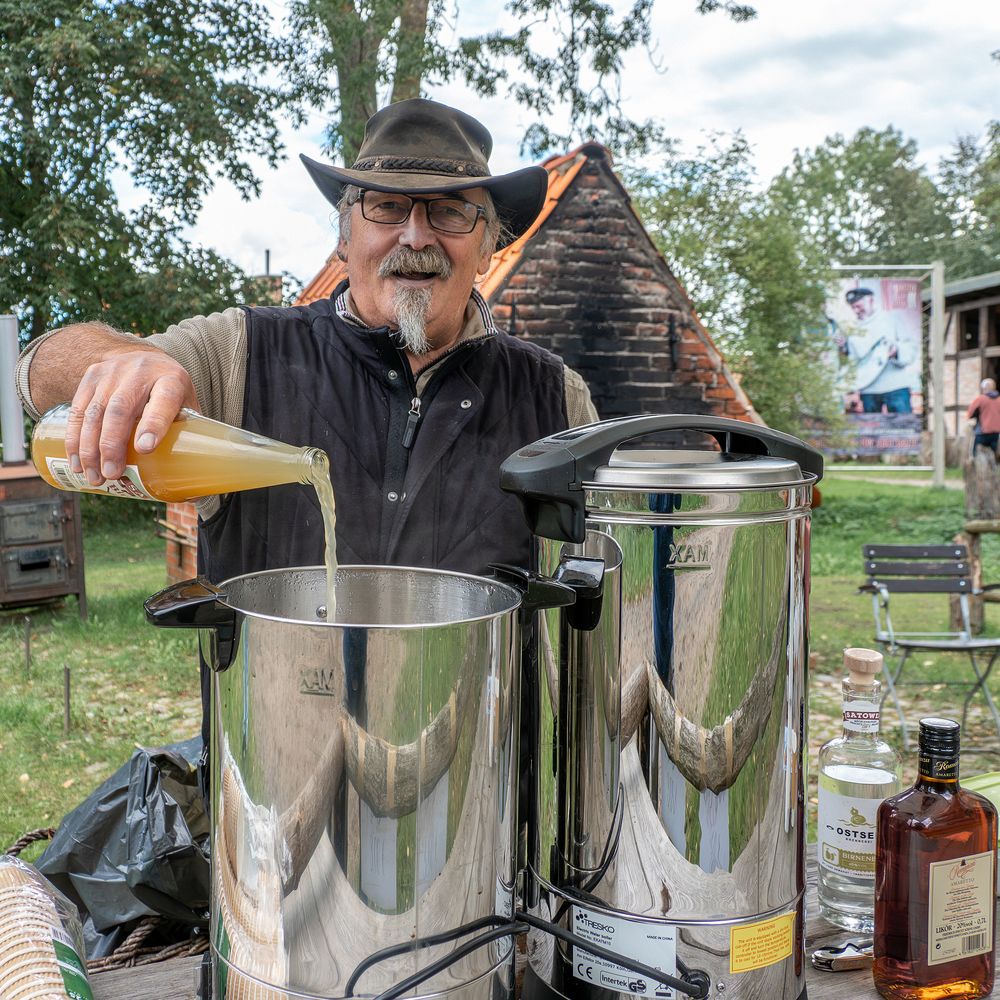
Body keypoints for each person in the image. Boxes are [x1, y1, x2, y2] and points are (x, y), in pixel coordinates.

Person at [15, 98, 597, 585]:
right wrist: (119, 359)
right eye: (387, 207)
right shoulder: (241, 354)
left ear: (489, 246)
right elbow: (37, 374)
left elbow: (600, 584)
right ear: (345, 238)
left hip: (476, 720)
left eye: (449, 213)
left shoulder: (557, 399)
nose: (415, 236)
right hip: (277, 717)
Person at [837, 287, 917, 414]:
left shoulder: (892, 318)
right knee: (872, 431)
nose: (856, 310)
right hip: (868, 390)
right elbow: (853, 360)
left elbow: (911, 349)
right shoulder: (852, 329)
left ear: (870, 300)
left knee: (904, 427)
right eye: (853, 308)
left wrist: (896, 351)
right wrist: (843, 348)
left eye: (859, 306)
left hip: (896, 387)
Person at [966, 378, 1000, 456]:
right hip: (996, 434)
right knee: (994, 457)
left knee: (975, 453)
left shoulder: (980, 399)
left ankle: (974, 462)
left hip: (982, 433)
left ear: (984, 389)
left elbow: (970, 414)